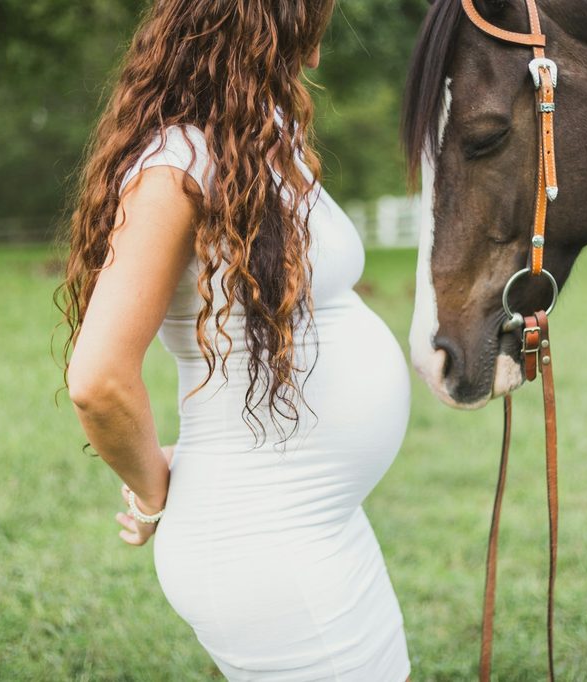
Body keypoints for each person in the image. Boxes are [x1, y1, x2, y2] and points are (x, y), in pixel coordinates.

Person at [54, 1, 412, 679]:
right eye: (314, 17)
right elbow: (97, 379)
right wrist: (156, 489)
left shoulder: (256, 138)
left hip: (318, 522)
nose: (320, 38)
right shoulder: (175, 167)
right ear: (271, 24)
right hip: (262, 542)